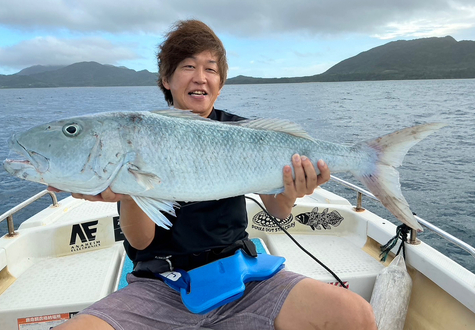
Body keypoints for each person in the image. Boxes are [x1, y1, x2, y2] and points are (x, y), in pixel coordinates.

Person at [54, 20, 376, 330]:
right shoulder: (141, 134)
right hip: (160, 286)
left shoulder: (247, 133)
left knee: (354, 314)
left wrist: (293, 188)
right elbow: (141, 241)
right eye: (188, 66)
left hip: (242, 276)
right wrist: (128, 190)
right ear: (166, 79)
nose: (200, 77)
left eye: (211, 69)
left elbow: (278, 210)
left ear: (220, 84)